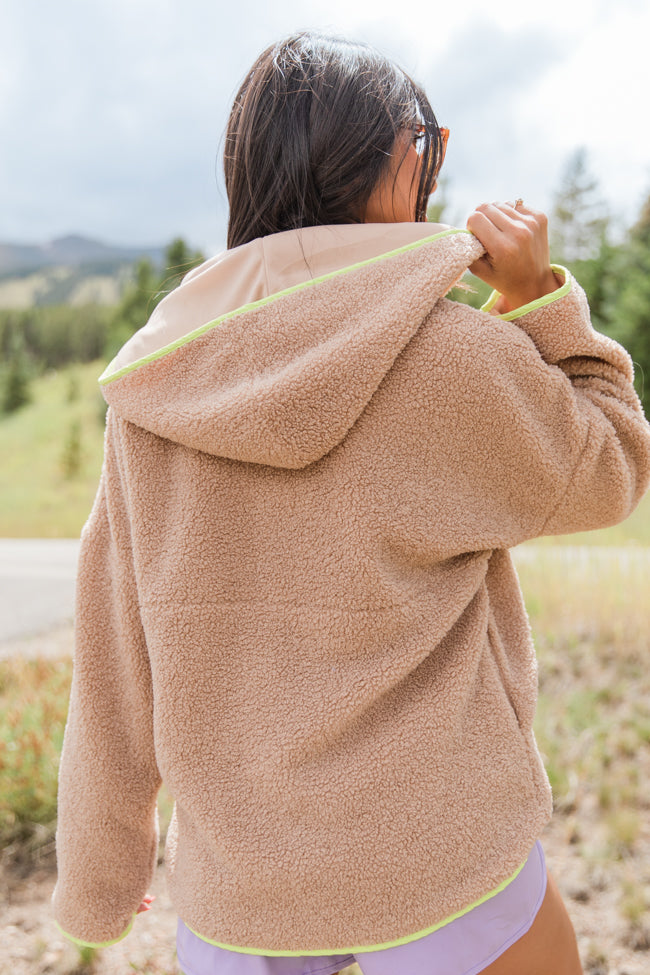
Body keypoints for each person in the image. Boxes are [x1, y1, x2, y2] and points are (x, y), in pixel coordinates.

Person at [52, 31, 650, 975]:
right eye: (429, 149)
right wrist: (540, 301)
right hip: (446, 861)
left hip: (241, 891)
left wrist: (98, 873)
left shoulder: (154, 396)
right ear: (393, 160)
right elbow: (611, 465)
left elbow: (115, 662)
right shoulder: (451, 358)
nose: (434, 177)